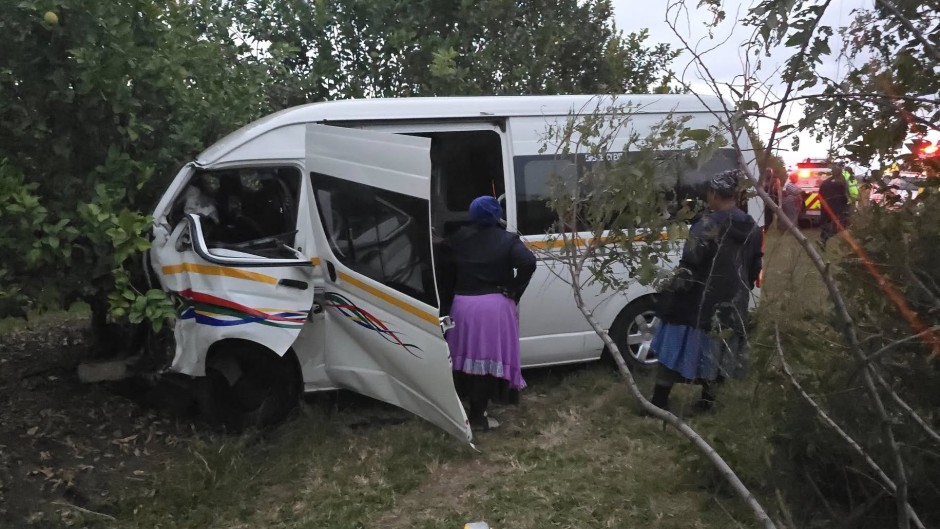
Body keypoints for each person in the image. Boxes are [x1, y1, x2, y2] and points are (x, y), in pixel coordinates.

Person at [649, 170, 763, 412]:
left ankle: (658, 403)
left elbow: (690, 264)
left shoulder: (706, 225)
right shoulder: (752, 227)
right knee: (719, 351)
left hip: (696, 304)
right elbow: (754, 267)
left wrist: (672, 288)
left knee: (672, 349)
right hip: (731, 304)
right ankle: (707, 402)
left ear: (713, 194)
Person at [441, 195, 537, 431]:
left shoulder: (457, 239)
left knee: (463, 361)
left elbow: (441, 264)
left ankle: (460, 411)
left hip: (463, 306)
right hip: (494, 308)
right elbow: (528, 262)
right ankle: (478, 416)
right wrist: (513, 289)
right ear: (497, 215)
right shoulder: (508, 240)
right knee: (486, 363)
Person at [818, 170, 849, 247]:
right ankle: (832, 240)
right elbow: (844, 197)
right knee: (836, 224)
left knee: (825, 223)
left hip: (825, 207)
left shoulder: (824, 183)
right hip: (837, 208)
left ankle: (823, 240)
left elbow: (820, 194)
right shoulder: (840, 184)